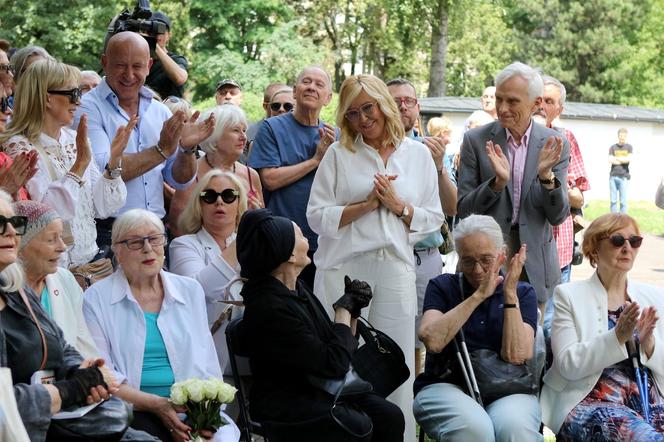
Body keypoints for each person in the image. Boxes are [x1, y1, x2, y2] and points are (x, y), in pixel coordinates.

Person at [307, 74, 444, 441]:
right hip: (344, 271)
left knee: (396, 365)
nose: (363, 119)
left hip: (396, 269)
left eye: (368, 108)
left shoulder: (417, 154)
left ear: (384, 103)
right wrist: (366, 205)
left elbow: (435, 216)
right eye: (352, 113)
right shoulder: (339, 153)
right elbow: (316, 216)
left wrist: (399, 207)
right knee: (341, 366)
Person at [237, 208, 405, 442]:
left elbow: (341, 349)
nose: (307, 239)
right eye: (300, 235)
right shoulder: (270, 307)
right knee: (357, 424)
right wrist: (343, 311)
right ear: (289, 255)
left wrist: (353, 310)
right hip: (289, 401)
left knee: (389, 416)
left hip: (320, 387)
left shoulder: (297, 288)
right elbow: (334, 363)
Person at [83, 209, 240, 442]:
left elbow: (207, 365)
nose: (148, 248)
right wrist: (158, 405)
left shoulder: (189, 290)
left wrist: (204, 419)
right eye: (135, 242)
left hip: (192, 410)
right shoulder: (97, 298)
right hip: (134, 409)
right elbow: (103, 375)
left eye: (155, 239)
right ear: (118, 251)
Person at [74, 31, 213, 250]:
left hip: (156, 229)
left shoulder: (160, 111)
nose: (129, 75)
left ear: (149, 65)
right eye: (121, 65)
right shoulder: (87, 107)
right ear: (104, 62)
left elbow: (179, 180)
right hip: (109, 232)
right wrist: (161, 151)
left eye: (137, 66)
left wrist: (186, 149)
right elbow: (102, 169)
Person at [0, 190, 117, 442]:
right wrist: (68, 391)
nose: (11, 232)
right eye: (0, 225)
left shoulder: (15, 288)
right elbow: (3, 406)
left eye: (15, 224)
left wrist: (79, 371)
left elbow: (62, 344)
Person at [414, 214, 541, 441]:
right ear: (459, 258)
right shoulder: (442, 286)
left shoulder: (522, 292)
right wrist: (478, 297)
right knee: (475, 429)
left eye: (486, 259)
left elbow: (517, 355)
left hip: (508, 386)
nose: (478, 270)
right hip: (446, 384)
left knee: (516, 430)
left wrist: (509, 294)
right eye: (468, 260)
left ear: (502, 254)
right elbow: (432, 340)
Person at [457, 61, 570, 312]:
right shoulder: (476, 140)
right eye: (499, 99)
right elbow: (463, 210)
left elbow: (558, 215)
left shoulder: (554, 143)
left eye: (512, 101)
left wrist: (546, 177)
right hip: (483, 257)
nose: (502, 108)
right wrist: (496, 184)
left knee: (528, 346)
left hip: (534, 261)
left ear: (536, 103)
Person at [541, 213, 664, 440]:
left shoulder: (654, 296)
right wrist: (616, 338)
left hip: (649, 399)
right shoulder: (568, 296)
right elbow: (568, 364)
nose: (627, 248)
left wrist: (649, 344)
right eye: (618, 241)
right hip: (592, 400)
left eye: (634, 241)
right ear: (594, 250)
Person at [1, 59, 135, 268]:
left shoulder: (74, 139)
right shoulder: (19, 146)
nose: (79, 103)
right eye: (73, 94)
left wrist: (113, 164)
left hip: (91, 262)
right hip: (52, 268)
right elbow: (46, 217)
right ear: (47, 99)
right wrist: (79, 166)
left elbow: (102, 208)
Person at [386, 78, 456, 375]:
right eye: (395, 101)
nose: (403, 106)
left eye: (409, 101)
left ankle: (413, 403)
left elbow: (452, 207)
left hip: (423, 257)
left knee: (417, 339)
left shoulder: (430, 149)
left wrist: (440, 167)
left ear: (418, 107)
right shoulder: (371, 148)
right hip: (386, 255)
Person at [249, 65, 335, 289]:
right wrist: (316, 160)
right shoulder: (271, 128)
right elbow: (269, 179)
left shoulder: (334, 135)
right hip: (281, 241)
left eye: (319, 84)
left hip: (322, 242)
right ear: (295, 91)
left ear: (328, 98)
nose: (311, 88)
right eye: (306, 82)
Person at [169, 170, 248, 371]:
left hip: (252, 352)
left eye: (228, 195)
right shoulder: (183, 244)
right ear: (199, 205)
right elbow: (198, 290)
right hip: (207, 355)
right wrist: (242, 240)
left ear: (239, 204)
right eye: (210, 196)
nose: (219, 202)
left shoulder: (255, 244)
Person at [14, 200, 97, 358]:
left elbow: (83, 344)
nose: (62, 247)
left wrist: (95, 376)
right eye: (51, 240)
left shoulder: (65, 279)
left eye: (61, 237)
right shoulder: (6, 289)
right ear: (19, 245)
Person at [167, 105, 262, 237]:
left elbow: (262, 224)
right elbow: (178, 228)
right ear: (215, 136)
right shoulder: (190, 174)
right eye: (236, 130)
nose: (243, 137)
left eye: (244, 130)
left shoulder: (251, 175)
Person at [145, 12, 189, 99]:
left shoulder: (177, 60)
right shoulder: (140, 62)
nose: (157, 34)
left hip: (171, 111)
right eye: (153, 30)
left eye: (161, 30)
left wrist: (154, 45)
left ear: (169, 35)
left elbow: (180, 78)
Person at [609, 128, 632, 213]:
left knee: (623, 201)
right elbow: (610, 160)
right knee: (613, 201)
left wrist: (616, 159)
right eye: (621, 136)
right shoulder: (613, 147)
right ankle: (614, 220)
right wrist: (623, 159)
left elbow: (628, 159)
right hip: (613, 176)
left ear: (626, 136)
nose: (622, 138)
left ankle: (623, 221)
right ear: (618, 136)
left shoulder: (629, 147)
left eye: (624, 136)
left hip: (624, 177)